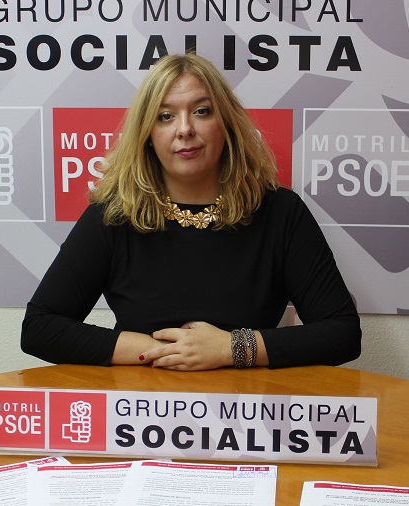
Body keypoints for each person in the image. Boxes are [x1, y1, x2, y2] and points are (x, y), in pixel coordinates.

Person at [21, 53, 361, 371]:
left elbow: (342, 333)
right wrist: (155, 350)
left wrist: (232, 348)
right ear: (147, 134)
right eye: (165, 116)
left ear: (226, 123)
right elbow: (39, 327)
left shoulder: (280, 212)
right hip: (141, 406)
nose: (184, 129)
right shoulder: (114, 214)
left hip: (247, 408)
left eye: (201, 111)